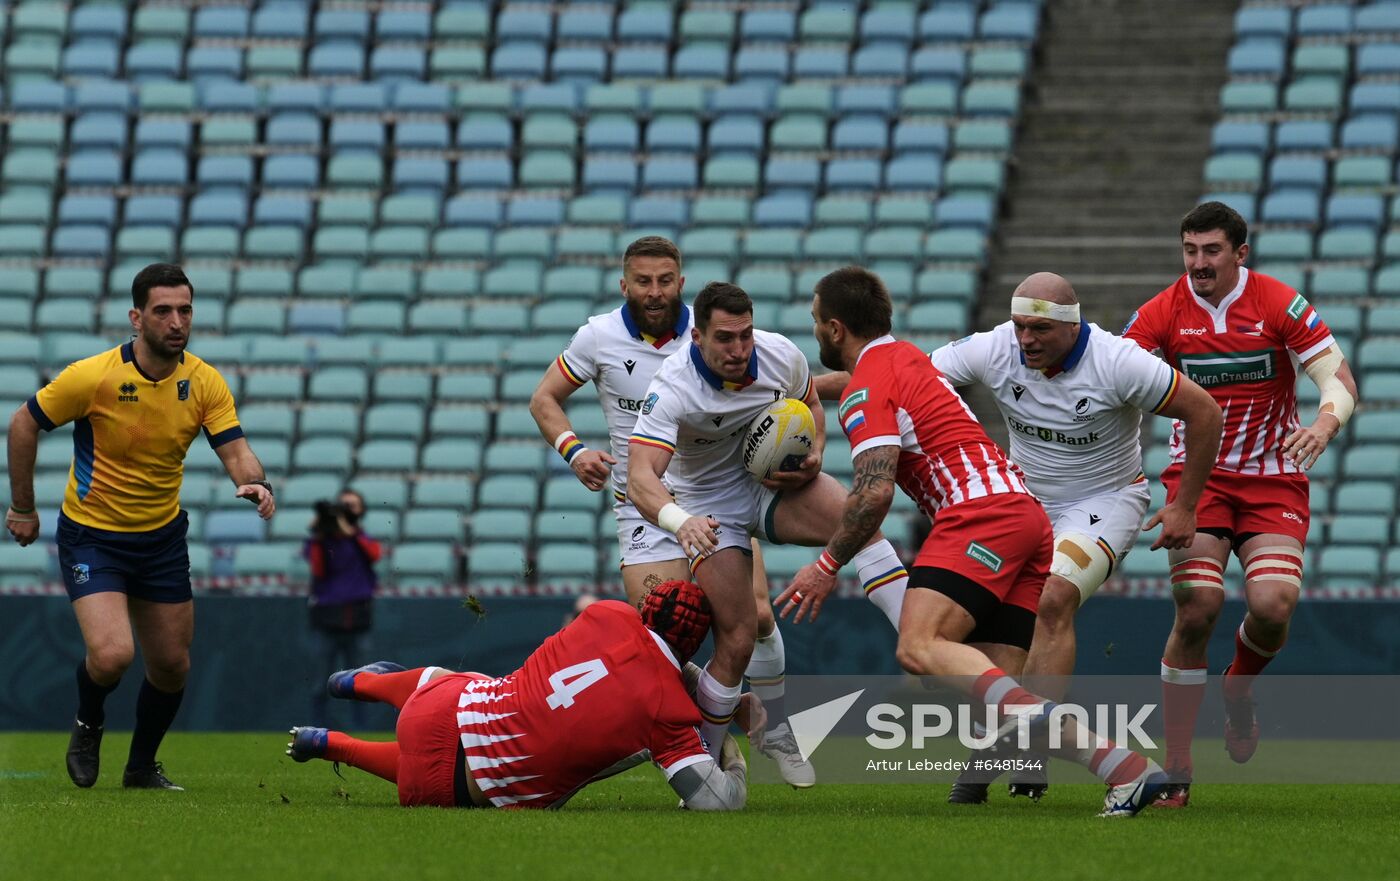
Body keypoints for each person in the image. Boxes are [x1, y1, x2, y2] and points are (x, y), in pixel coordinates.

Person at [812, 272, 1222, 802]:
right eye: (1019, 326)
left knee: (1044, 601)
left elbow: (1205, 410)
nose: (1025, 339)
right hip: (1023, 498)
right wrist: (797, 391)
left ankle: (1033, 755)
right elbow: (899, 381)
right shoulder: (996, 347)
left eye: (1039, 330)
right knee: (984, 657)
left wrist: (1184, 504)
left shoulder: (1118, 361)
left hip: (1101, 502)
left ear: (1072, 327)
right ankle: (1004, 756)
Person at [529, 237, 839, 786]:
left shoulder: (717, 334)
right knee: (670, 631)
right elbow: (543, 399)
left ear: (681, 281)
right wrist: (574, 451)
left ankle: (773, 725)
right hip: (643, 504)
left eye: (665, 280)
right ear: (624, 285)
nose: (655, 291)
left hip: (717, 491)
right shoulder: (598, 337)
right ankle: (728, 732)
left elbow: (789, 387)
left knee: (756, 619)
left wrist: (808, 444)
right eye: (643, 281)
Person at [5, 263, 276, 791]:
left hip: (161, 539)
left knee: (172, 666)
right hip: (93, 535)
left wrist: (257, 483)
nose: (177, 322)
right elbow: (24, 422)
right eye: (163, 311)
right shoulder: (94, 375)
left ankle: (141, 767)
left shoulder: (203, 381)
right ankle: (88, 723)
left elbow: (237, 450)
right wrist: (23, 507)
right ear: (136, 317)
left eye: (185, 310)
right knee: (112, 656)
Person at [1123, 202, 1359, 807]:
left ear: (1239, 254)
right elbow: (1116, 378)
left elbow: (1339, 382)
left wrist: (1324, 426)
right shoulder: (1160, 312)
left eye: (1211, 252)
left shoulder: (1279, 302)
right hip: (1198, 478)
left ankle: (1236, 690)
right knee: (1198, 607)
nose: (1199, 263)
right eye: (1190, 251)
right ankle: (1176, 767)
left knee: (1274, 605)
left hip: (1272, 478)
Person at [627, 281, 910, 773]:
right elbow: (639, 478)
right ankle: (710, 769)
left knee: (861, 523)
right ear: (698, 338)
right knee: (737, 639)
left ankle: (922, 637)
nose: (739, 350)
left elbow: (812, 407)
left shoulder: (782, 355)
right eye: (725, 339)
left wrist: (816, 452)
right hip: (710, 508)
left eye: (746, 335)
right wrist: (681, 520)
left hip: (774, 485)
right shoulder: (672, 386)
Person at [285, 580, 756, 811]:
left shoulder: (605, 613)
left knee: (471, 684)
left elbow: (628, 666)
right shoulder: (670, 713)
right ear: (694, 645)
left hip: (445, 706)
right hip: (455, 786)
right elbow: (718, 801)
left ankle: (358, 684)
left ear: (647, 608)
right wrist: (726, 745)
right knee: (420, 766)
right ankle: (330, 744)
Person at [303, 488, 382, 726]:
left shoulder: (362, 539)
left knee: (362, 681)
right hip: (327, 619)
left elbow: (374, 555)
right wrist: (319, 532)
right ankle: (315, 732)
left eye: (353, 506)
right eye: (343, 506)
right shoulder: (322, 541)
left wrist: (352, 533)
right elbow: (317, 569)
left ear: (361, 511)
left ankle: (361, 731)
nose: (347, 511)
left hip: (357, 618)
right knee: (320, 681)